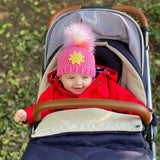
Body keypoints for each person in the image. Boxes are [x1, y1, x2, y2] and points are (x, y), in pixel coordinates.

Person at [14, 22, 149, 125]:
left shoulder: (106, 86)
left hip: (103, 127)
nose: (78, 83)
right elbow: (41, 108)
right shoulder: (55, 92)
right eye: (71, 77)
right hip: (67, 130)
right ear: (60, 77)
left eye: (85, 77)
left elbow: (127, 101)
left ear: (92, 76)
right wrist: (26, 114)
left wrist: (144, 112)